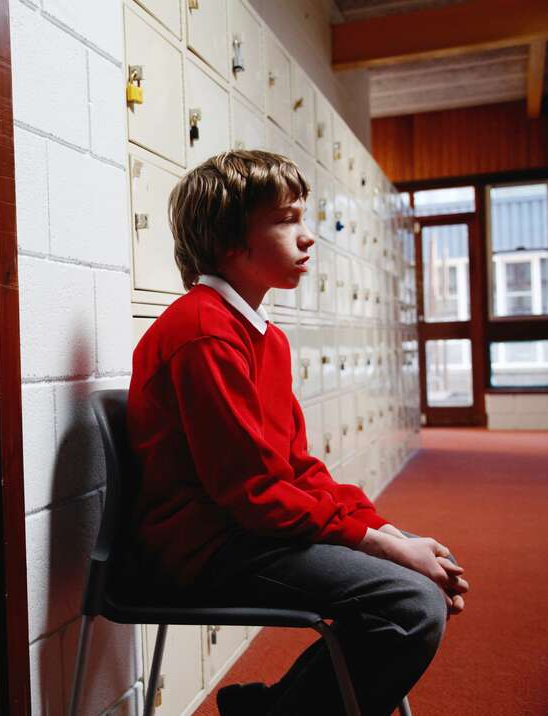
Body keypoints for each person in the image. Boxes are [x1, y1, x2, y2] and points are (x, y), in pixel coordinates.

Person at [124, 150, 469, 716]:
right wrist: (381, 545)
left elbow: (297, 468)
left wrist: (387, 531)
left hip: (245, 531)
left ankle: (271, 710)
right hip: (208, 547)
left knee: (416, 585)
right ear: (228, 239)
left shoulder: (265, 337)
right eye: (285, 220)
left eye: (303, 218)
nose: (308, 237)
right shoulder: (203, 332)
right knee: (409, 606)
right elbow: (254, 494)